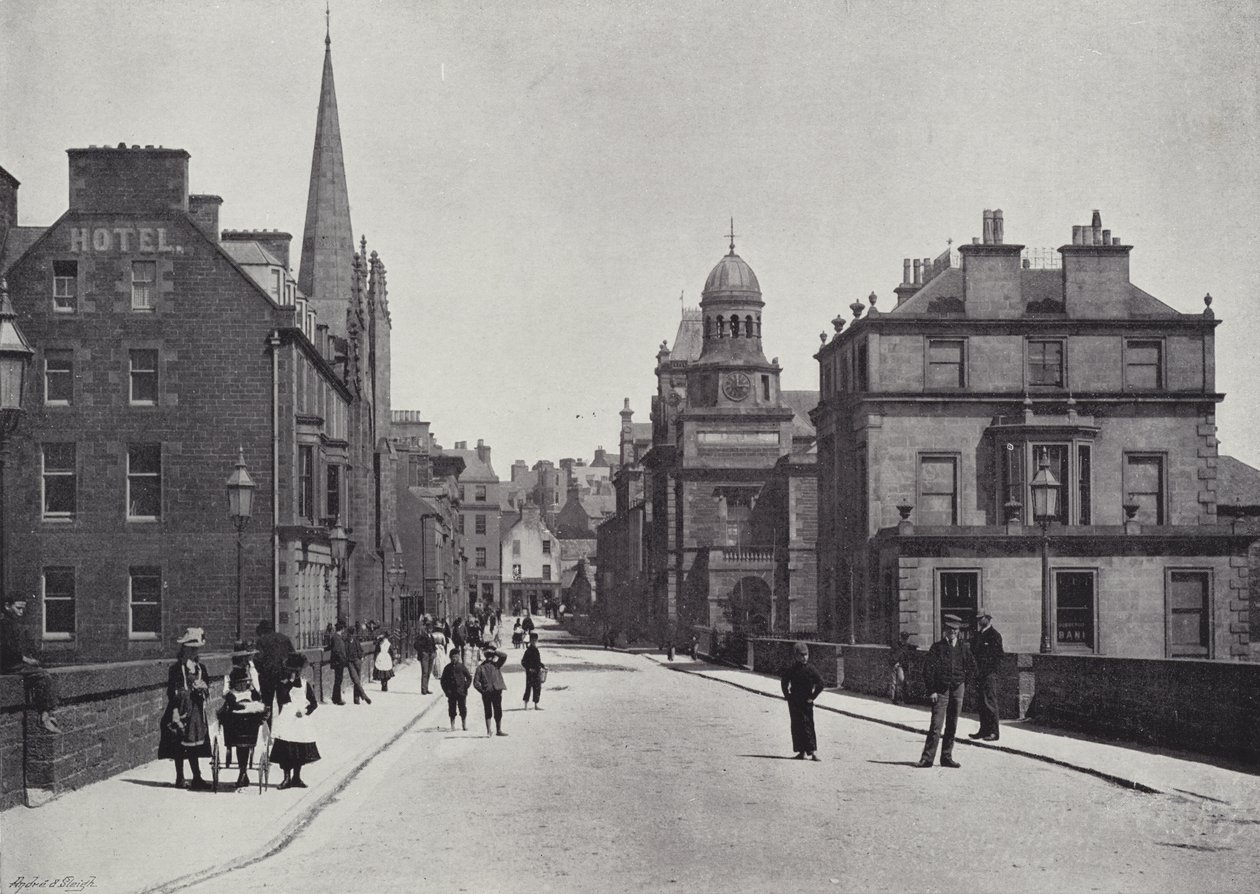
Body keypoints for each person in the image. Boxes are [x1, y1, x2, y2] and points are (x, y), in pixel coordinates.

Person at [918, 614, 975, 769]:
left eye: (955, 629)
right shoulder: (937, 648)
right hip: (940, 691)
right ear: (945, 630)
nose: (953, 632)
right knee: (936, 725)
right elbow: (928, 670)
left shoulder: (964, 647)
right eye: (950, 629)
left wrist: (963, 684)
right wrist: (932, 691)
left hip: (958, 689)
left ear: (959, 631)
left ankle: (947, 757)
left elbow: (971, 668)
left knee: (952, 725)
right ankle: (927, 758)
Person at [159, 628, 213, 789]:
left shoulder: (200, 668)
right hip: (180, 709)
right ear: (184, 649)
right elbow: (171, 691)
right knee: (178, 743)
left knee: (194, 744)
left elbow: (207, 686)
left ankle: (197, 777)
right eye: (191, 648)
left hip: (195, 709)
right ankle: (180, 777)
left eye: (196, 649)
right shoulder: (176, 669)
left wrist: (203, 687)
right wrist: (175, 711)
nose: (194, 652)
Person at [1, 596, 62, 733]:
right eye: (18, 608)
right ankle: (45, 717)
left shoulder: (13, 624)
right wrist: (27, 660)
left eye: (23, 609)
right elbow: (6, 649)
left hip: (14, 663)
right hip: (8, 666)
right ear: (7, 606)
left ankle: (47, 714)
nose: (21, 612)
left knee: (40, 673)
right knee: (43, 675)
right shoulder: (4, 624)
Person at [218, 641, 266, 788]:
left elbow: (257, 690)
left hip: (249, 703)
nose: (242, 660)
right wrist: (230, 697)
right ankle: (242, 772)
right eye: (240, 657)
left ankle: (243, 772)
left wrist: (252, 691)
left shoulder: (252, 670)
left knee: (247, 730)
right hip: (234, 703)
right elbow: (225, 690)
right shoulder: (229, 671)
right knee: (235, 729)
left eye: (245, 657)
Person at [270, 653, 320, 789]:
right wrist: (289, 684)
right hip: (287, 719)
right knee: (286, 749)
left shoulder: (305, 685)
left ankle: (296, 778)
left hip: (300, 721)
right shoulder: (283, 684)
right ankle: (286, 778)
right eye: (293, 671)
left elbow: (313, 703)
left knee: (300, 750)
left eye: (297, 671)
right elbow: (282, 699)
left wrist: (304, 712)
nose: (295, 674)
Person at [780, 641, 824, 760]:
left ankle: (813, 752)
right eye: (802, 655)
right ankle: (801, 751)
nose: (805, 657)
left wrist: (813, 697)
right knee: (796, 726)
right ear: (796, 656)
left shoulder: (811, 669)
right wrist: (787, 695)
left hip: (806, 702)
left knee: (808, 725)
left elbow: (820, 684)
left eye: (806, 655)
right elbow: (784, 682)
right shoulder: (791, 669)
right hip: (794, 701)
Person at [969, 612, 1005, 742]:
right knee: (981, 703)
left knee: (990, 702)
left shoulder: (994, 636)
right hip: (979, 674)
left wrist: (990, 671)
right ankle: (983, 730)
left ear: (988, 618)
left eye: (981, 618)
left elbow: (999, 656)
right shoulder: (978, 635)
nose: (979, 620)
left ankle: (994, 732)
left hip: (989, 674)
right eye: (978, 618)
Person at [254, 619, 295, 718]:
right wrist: (290, 674)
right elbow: (293, 657)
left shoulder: (261, 641)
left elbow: (257, 660)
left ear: (262, 630)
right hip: (283, 676)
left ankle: (268, 729)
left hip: (267, 677)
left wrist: (261, 671)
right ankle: (284, 727)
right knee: (284, 703)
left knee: (267, 704)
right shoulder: (284, 638)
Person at [473, 644, 509, 737]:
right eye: (488, 655)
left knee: (494, 710)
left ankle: (493, 731)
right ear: (485, 656)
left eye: (490, 655)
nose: (489, 657)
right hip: (491, 692)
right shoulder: (487, 666)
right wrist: (483, 691)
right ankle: (494, 731)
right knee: (493, 710)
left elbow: (504, 656)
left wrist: (493, 651)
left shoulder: (494, 665)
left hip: (493, 691)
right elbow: (475, 683)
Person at [440, 646, 473, 731]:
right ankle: (452, 725)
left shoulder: (462, 666)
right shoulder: (447, 668)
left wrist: (466, 686)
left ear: (459, 657)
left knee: (463, 708)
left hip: (461, 692)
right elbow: (443, 681)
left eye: (456, 656)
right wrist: (446, 691)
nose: (455, 658)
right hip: (451, 692)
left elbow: (469, 677)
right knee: (452, 708)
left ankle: (464, 724)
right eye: (453, 657)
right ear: (450, 658)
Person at [889, 631, 917, 705]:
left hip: (903, 665)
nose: (905, 640)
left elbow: (911, 649)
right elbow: (893, 655)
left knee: (903, 682)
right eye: (904, 638)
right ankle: (894, 699)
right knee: (897, 682)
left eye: (906, 638)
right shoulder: (896, 645)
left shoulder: (907, 646)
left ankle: (903, 699)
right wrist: (896, 663)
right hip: (897, 665)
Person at [521, 632, 546, 710]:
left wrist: (543, 666)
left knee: (537, 688)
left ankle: (536, 705)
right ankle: (525, 705)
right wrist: (529, 669)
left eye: (535, 640)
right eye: (533, 640)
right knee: (528, 688)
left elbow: (537, 661)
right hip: (530, 673)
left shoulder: (536, 650)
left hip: (537, 671)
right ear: (530, 640)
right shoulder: (528, 650)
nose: (534, 641)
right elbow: (523, 662)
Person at [328, 621, 350, 705]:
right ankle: (337, 699)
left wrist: (325, 649)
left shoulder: (336, 637)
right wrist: (342, 659)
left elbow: (331, 646)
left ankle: (335, 698)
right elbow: (336, 650)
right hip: (338, 662)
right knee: (338, 680)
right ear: (342, 629)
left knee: (338, 680)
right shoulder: (336, 637)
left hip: (338, 661)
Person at [414, 622, 437, 695]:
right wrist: (422, 651)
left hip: (431, 656)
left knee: (429, 672)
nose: (430, 630)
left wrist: (434, 651)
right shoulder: (422, 636)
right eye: (429, 628)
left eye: (431, 628)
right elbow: (416, 645)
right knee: (425, 672)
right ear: (426, 629)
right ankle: (423, 689)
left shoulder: (431, 636)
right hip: (425, 656)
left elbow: (433, 645)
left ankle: (426, 688)